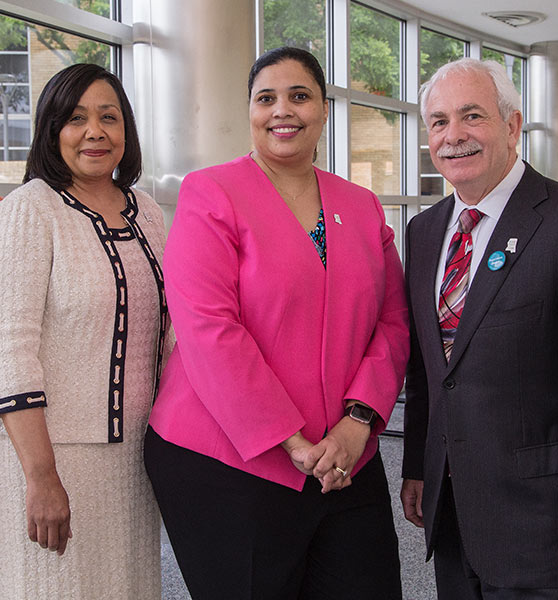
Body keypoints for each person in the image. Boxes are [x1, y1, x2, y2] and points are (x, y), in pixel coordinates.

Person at [145, 46, 409, 599]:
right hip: (225, 461)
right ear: (250, 110)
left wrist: (357, 424)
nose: (281, 111)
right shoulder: (211, 192)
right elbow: (208, 328)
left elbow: (392, 320)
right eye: (266, 98)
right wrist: (293, 443)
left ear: (324, 109)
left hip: (346, 457)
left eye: (299, 96)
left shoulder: (359, 206)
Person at [401, 57, 558, 600]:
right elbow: (428, 369)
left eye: (471, 116)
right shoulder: (425, 231)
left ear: (511, 126)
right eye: (438, 122)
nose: (453, 136)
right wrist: (418, 466)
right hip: (453, 514)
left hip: (549, 527)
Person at [0, 63, 166, 599]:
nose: (95, 132)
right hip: (50, 453)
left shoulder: (146, 211)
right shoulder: (27, 210)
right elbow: (7, 351)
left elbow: (171, 332)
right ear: (51, 128)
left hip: (133, 455)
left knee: (128, 586)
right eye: (76, 118)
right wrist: (41, 476)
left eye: (109, 117)